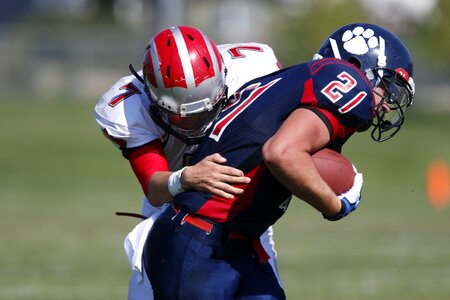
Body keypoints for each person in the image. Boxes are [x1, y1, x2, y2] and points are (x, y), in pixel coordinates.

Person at [142, 22, 416, 299]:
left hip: (233, 243)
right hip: (199, 241)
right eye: (388, 87)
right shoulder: (349, 82)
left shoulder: (292, 79)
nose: (388, 104)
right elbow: (282, 153)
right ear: (359, 65)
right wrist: (337, 206)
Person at [94, 25, 283, 299]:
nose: (199, 124)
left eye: (208, 110)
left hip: (238, 208)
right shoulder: (127, 107)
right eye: (184, 117)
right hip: (170, 211)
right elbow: (155, 188)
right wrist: (186, 178)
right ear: (152, 96)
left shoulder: (254, 68)